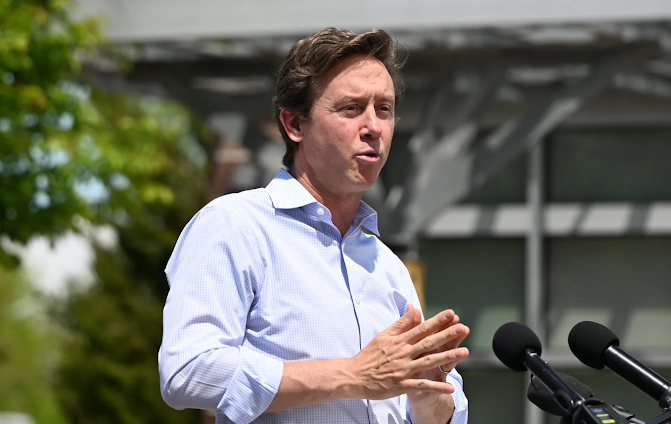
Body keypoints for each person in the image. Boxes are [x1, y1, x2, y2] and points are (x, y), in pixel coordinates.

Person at [159, 28, 470, 424]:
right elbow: (188, 370)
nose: (374, 126)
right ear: (294, 124)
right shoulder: (234, 225)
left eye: (384, 109)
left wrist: (426, 396)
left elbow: (437, 414)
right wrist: (353, 375)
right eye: (351, 108)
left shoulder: (388, 266)